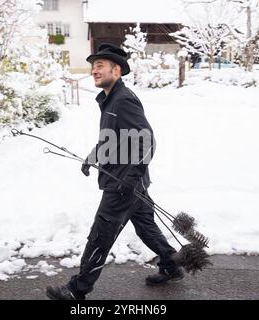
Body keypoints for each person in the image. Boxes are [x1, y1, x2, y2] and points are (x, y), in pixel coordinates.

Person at [46, 43, 183, 300]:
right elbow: (114, 138)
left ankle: (77, 289)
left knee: (100, 236)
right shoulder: (111, 99)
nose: (94, 71)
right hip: (129, 181)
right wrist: (93, 156)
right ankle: (172, 264)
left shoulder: (124, 100)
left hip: (122, 184)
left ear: (116, 70)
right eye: (93, 66)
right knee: (145, 226)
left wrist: (130, 178)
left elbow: (147, 140)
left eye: (99, 66)